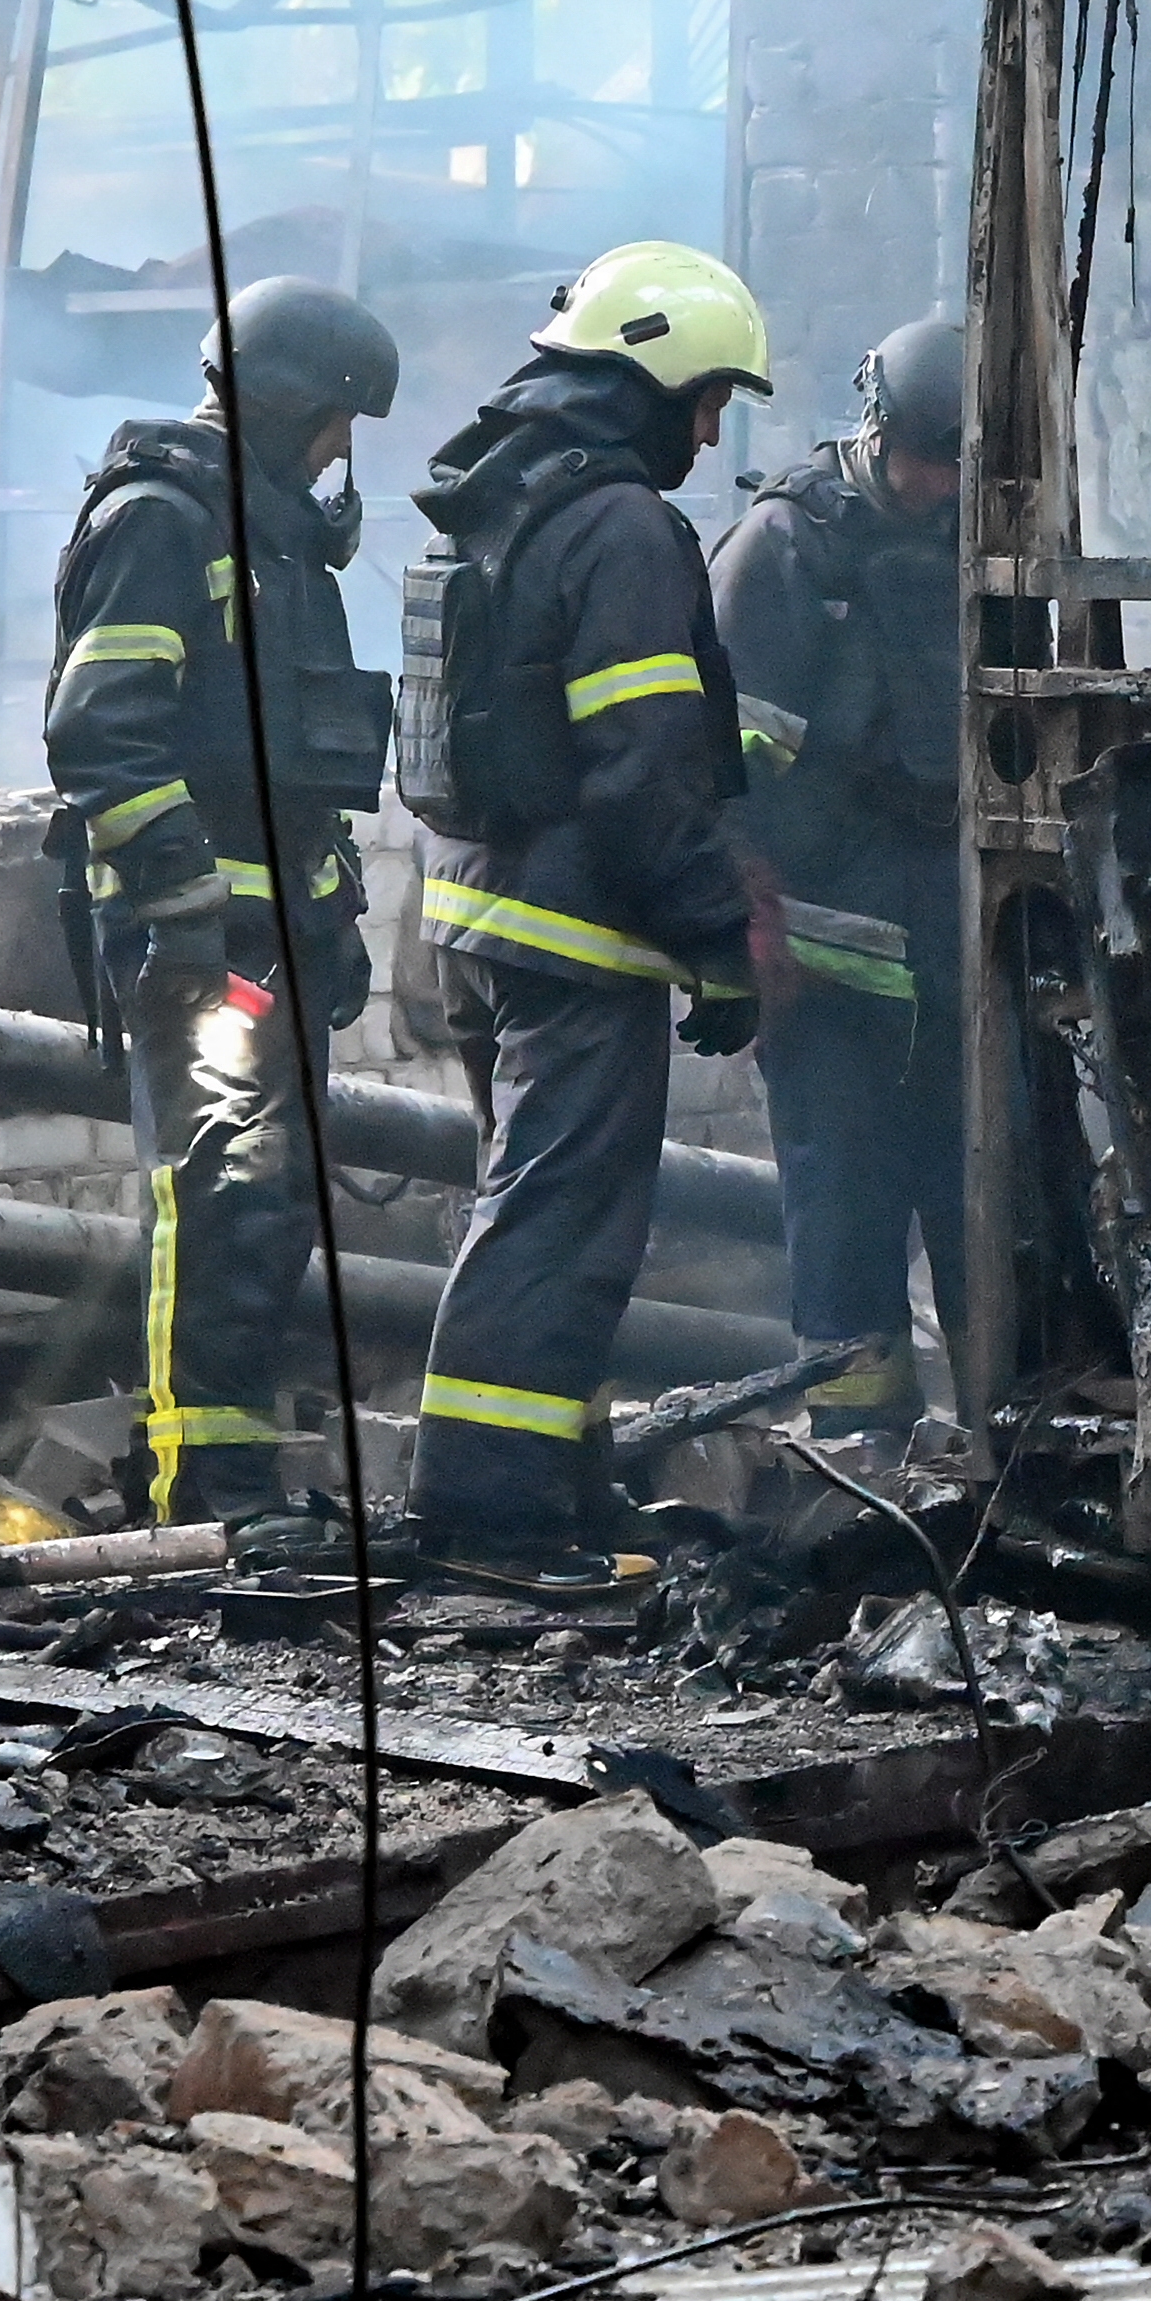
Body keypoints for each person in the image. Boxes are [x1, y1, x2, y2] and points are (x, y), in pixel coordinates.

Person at [398, 239, 787, 1589]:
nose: (711, 429)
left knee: (545, 1214)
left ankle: (555, 1491)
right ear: (649, 378)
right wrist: (712, 941)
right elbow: (642, 775)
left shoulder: (511, 503)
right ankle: (491, 1522)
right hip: (571, 932)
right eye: (706, 397)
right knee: (558, 1220)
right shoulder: (619, 526)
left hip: (474, 913)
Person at [43, 275, 405, 1546]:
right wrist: (185, 917)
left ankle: (238, 1480)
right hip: (200, 947)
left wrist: (333, 917)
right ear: (292, 405)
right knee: (215, 1203)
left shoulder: (271, 546)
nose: (343, 457)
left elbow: (286, 774)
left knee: (269, 1211)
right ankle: (196, 1494)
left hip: (272, 942)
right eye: (338, 426)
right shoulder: (160, 522)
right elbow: (101, 733)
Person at [713, 313, 967, 1433]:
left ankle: (1020, 1443)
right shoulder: (782, 549)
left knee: (986, 1208)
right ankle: (861, 1456)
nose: (944, 485)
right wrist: (752, 930)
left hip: (960, 957)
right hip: (825, 963)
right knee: (845, 1210)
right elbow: (717, 768)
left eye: (965, 465)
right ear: (880, 431)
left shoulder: (990, 535)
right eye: (931, 460)